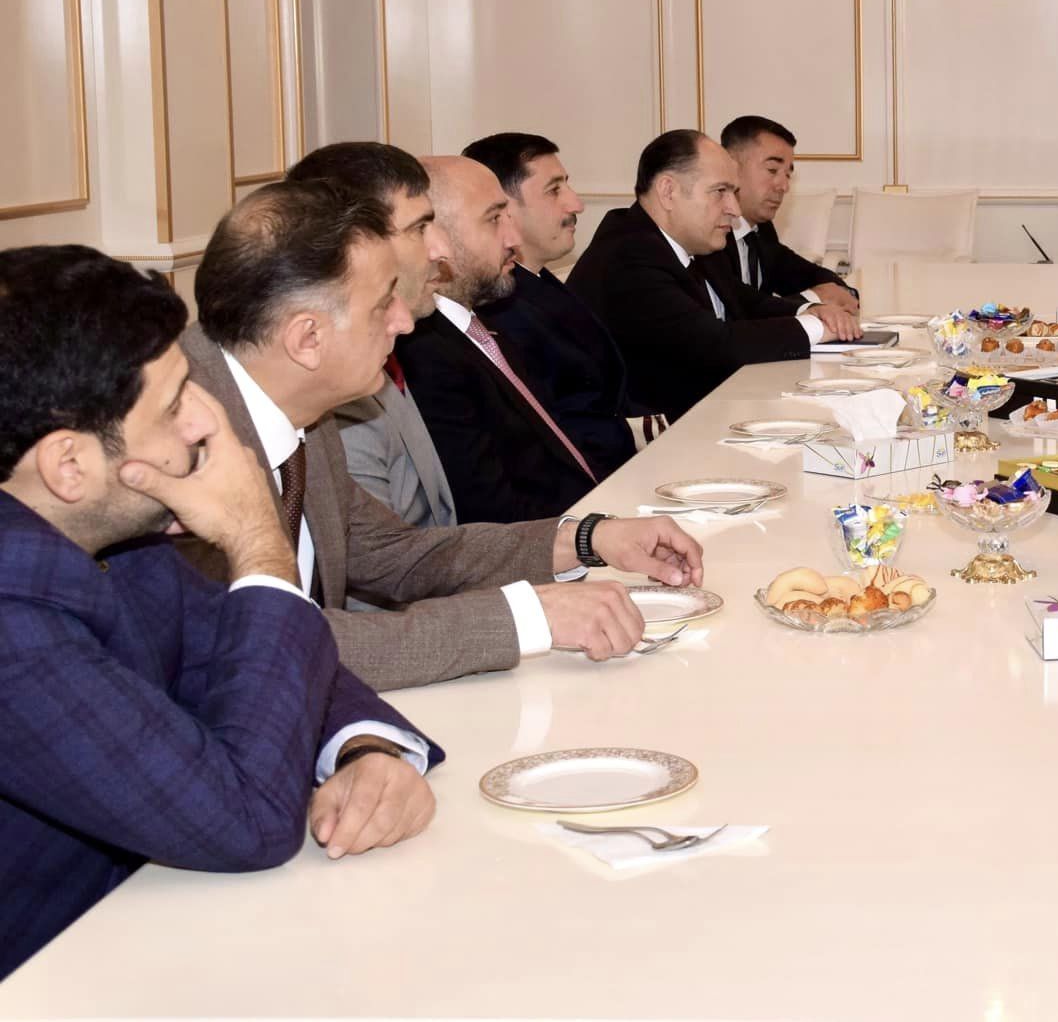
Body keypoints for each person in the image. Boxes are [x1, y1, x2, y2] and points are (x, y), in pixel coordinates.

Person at [0, 246, 439, 978]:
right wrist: (257, 540)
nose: (208, 424)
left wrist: (364, 750)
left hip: (157, 928)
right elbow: (247, 822)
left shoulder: (113, 535)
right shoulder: (13, 629)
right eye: (176, 405)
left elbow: (257, 654)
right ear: (68, 466)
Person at [179, 180, 706, 690]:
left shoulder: (291, 397)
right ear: (307, 339)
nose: (405, 322)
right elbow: (268, 645)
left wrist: (587, 539)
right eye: (383, 303)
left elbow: (393, 553)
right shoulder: (177, 442)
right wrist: (527, 616)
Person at [568, 130, 863, 418]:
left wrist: (810, 310)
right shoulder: (628, 255)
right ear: (668, 192)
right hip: (650, 431)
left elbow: (745, 301)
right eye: (720, 192)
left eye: (733, 192)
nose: (734, 209)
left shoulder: (689, 242)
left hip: (705, 405)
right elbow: (716, 345)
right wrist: (816, 327)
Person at [392, 157, 599, 523]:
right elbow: (491, 513)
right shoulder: (425, 355)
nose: (514, 239)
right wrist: (590, 535)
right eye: (493, 219)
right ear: (435, 235)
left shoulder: (478, 319)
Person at [291, 144, 460, 528]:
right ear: (355, 245)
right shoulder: (333, 384)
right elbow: (381, 557)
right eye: (419, 228)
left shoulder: (386, 345)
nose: (442, 249)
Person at [463, 132, 649, 478]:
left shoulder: (538, 281)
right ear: (502, 207)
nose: (576, 204)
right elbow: (556, 430)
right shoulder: (496, 307)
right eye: (554, 190)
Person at [717, 115, 858, 312]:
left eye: (788, 175)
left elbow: (803, 273)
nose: (784, 186)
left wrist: (843, 292)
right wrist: (814, 298)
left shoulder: (761, 230)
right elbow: (739, 308)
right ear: (731, 166)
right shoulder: (710, 232)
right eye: (772, 170)